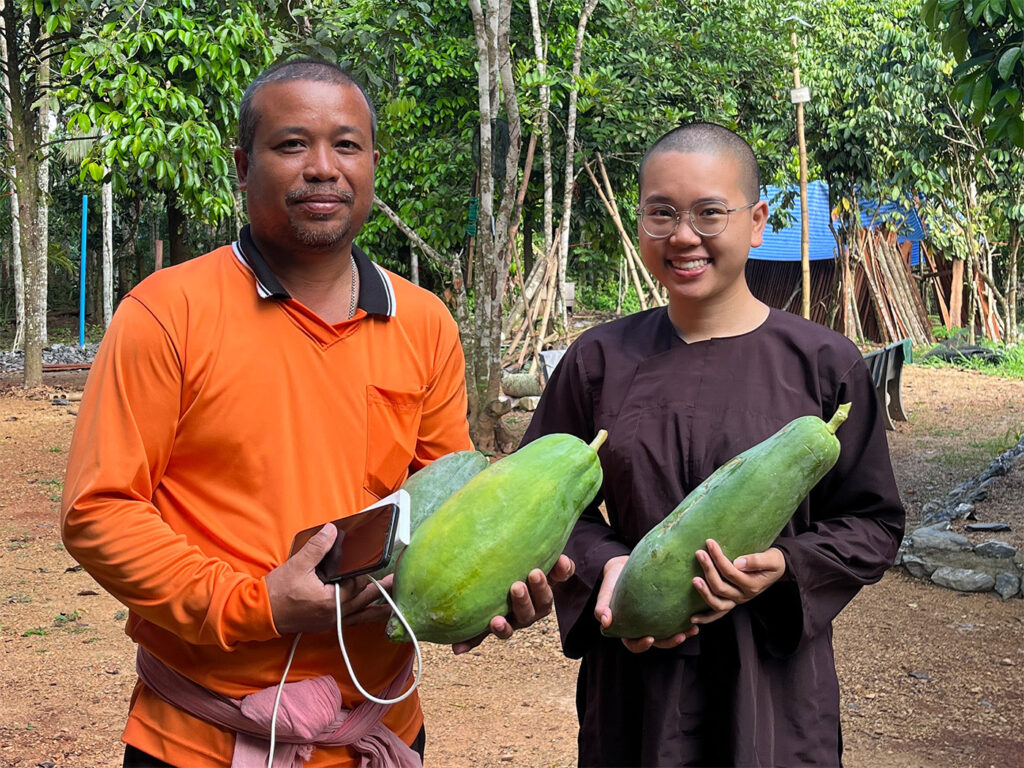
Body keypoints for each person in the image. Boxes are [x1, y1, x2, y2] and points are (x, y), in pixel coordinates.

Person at [61, 58, 568, 768]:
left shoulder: (423, 323)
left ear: (372, 165)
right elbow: (100, 511)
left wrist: (490, 583)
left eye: (346, 145)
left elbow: (448, 502)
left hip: (378, 728)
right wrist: (256, 604)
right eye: (292, 144)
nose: (323, 168)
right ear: (244, 166)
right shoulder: (166, 313)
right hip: (202, 739)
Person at [521, 122, 906, 767]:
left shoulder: (824, 365)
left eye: (709, 213)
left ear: (756, 222)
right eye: (662, 213)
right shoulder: (598, 361)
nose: (683, 235)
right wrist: (608, 566)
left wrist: (787, 566)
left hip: (770, 688)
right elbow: (544, 507)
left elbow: (872, 520)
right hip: (635, 688)